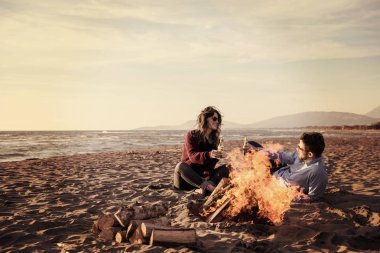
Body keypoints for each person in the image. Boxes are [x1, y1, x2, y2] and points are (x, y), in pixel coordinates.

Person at [247, 132, 328, 202]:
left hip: (278, 185)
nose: (297, 149)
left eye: (300, 148)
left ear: (310, 154)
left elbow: (313, 198)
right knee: (254, 154)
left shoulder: (317, 172)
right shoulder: (300, 154)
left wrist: (291, 195)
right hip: (278, 170)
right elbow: (283, 156)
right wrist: (270, 154)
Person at [173, 106, 229, 194]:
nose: (217, 122)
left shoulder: (215, 140)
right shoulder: (191, 135)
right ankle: (209, 188)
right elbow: (192, 157)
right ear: (205, 119)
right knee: (180, 166)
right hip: (188, 179)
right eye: (214, 119)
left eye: (218, 120)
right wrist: (209, 154)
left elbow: (210, 165)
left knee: (227, 167)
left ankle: (205, 188)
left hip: (203, 179)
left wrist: (217, 157)